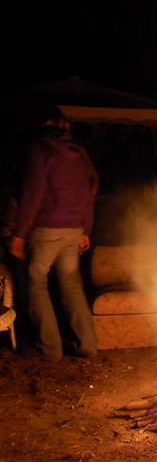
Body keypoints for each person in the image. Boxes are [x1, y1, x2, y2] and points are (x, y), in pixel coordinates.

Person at [10, 107, 98, 361]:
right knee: (71, 285)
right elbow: (89, 192)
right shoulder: (79, 153)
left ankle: (50, 349)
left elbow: (32, 194)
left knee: (36, 284)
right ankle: (87, 345)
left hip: (46, 229)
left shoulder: (38, 150)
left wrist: (19, 233)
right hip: (74, 229)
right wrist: (85, 230)